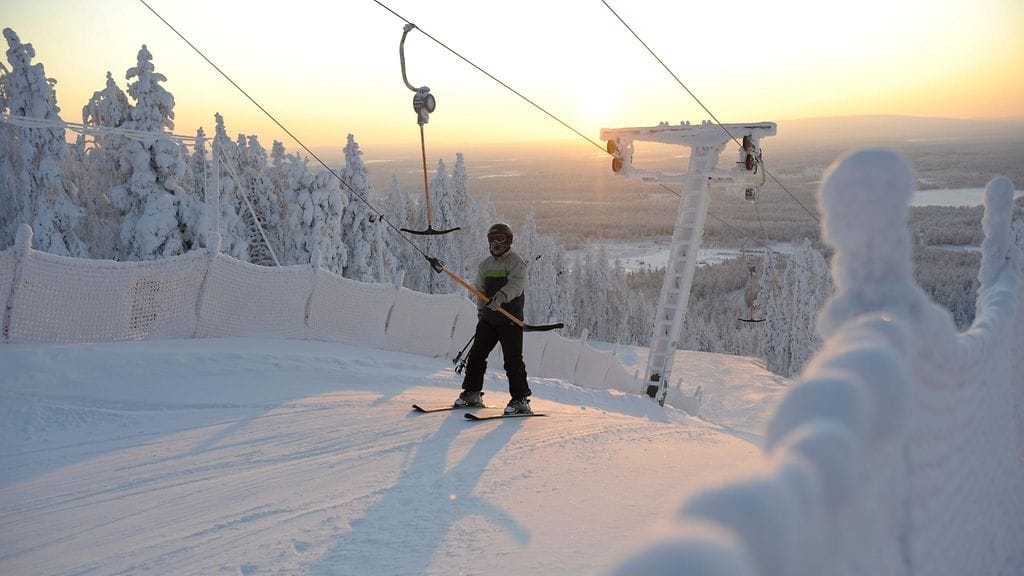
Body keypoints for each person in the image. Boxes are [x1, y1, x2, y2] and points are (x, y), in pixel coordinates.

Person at [454, 222, 532, 414]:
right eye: (492, 239)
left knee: (512, 360)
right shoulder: (485, 264)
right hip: (489, 319)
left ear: (509, 240)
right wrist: (482, 312)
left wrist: (500, 297)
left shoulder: (515, 262)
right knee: (476, 356)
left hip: (509, 319)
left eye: (500, 239)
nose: (496, 243)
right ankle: (472, 393)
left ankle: (520, 400)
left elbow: (516, 285)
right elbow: (480, 290)